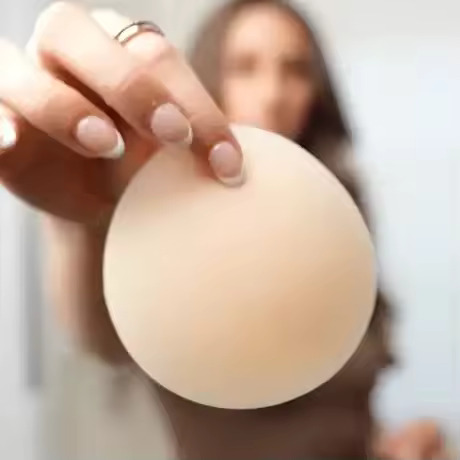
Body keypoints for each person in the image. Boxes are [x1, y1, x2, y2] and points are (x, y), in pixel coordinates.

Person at [0, 1, 448, 458]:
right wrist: (83, 218)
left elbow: (327, 393)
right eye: (245, 67)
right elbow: (99, 337)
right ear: (210, 77)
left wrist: (391, 444)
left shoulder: (335, 214)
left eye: (295, 69)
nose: (273, 92)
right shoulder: (165, 214)